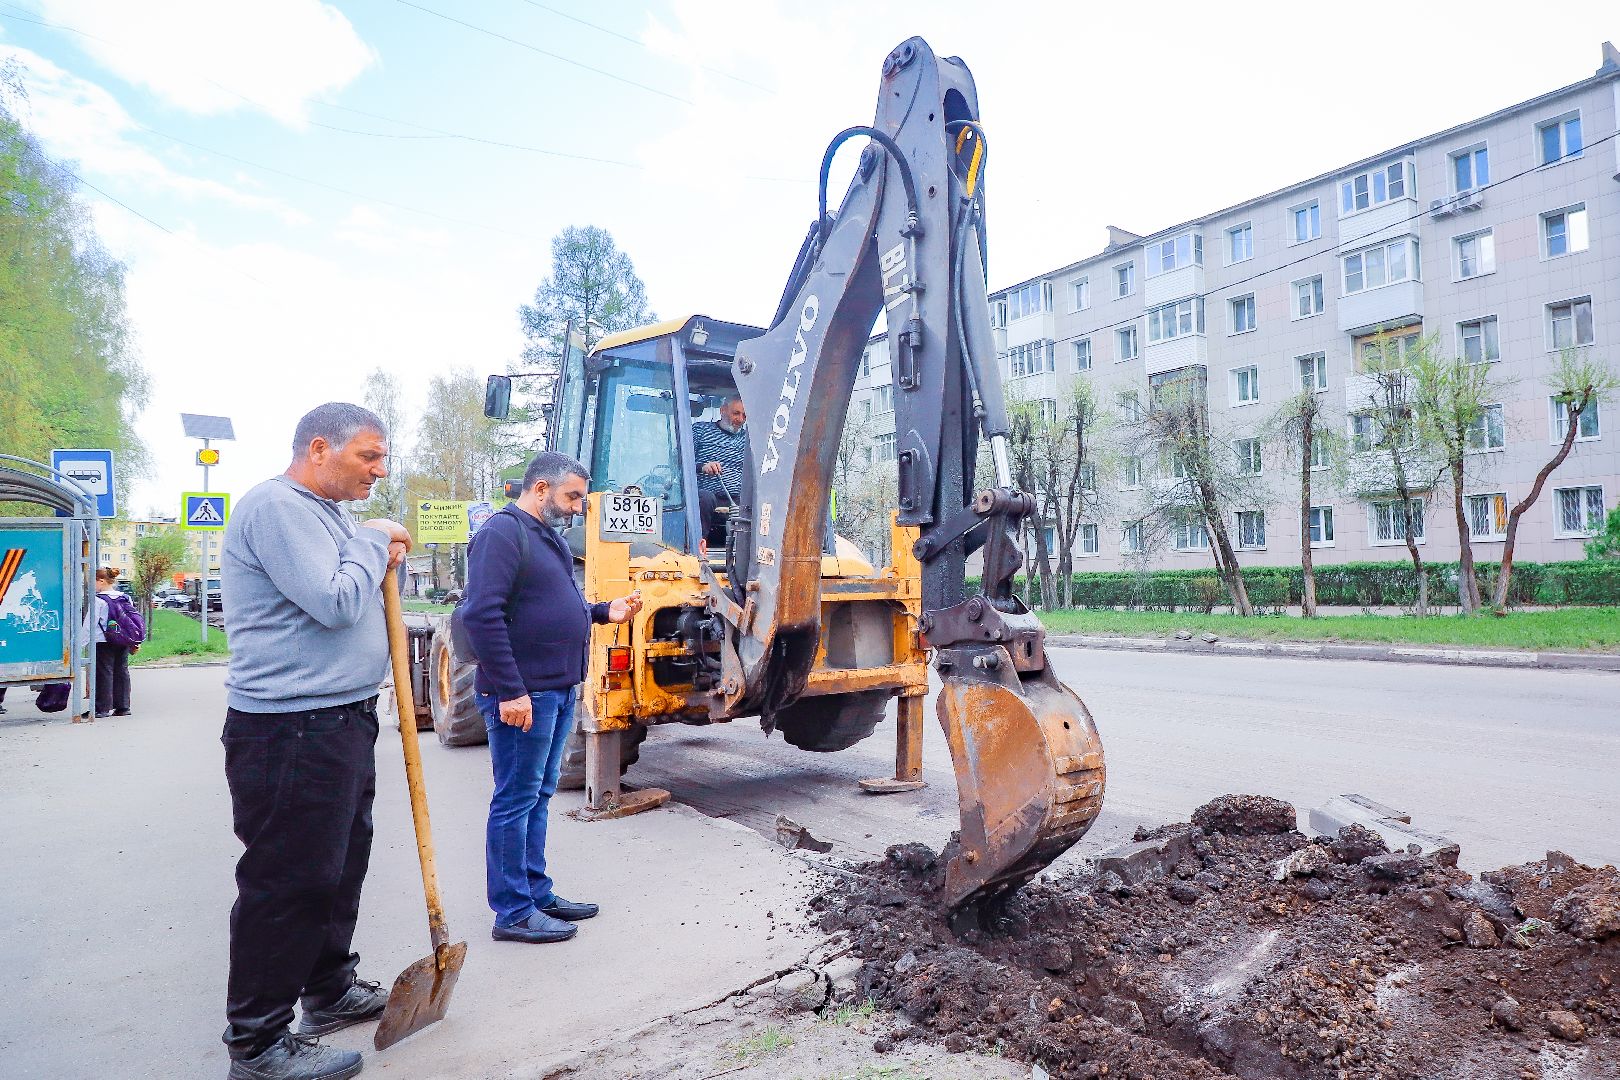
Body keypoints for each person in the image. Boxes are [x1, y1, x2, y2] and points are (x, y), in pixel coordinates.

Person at [219, 402, 411, 1080]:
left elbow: (358, 598)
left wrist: (372, 543)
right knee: (290, 881)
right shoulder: (276, 508)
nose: (380, 471)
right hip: (290, 727)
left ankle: (328, 989)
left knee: (338, 866)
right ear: (320, 448)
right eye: (369, 456)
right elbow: (332, 602)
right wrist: (374, 538)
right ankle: (259, 1044)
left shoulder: (329, 515)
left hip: (340, 719)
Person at [461, 451, 641, 944]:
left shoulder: (547, 539)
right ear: (540, 489)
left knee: (537, 796)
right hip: (526, 695)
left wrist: (605, 611)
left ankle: (536, 893)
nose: (579, 506)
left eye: (581, 497)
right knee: (515, 800)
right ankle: (513, 911)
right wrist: (511, 690)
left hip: (557, 689)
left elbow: (557, 606)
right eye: (572, 496)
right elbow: (481, 616)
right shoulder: (503, 533)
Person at [693, 395, 748, 543]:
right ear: (722, 410)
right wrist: (702, 467)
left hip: (737, 499)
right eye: (736, 413)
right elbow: (678, 462)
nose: (740, 419)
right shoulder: (700, 431)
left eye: (744, 415)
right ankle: (699, 546)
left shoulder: (749, 439)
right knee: (703, 498)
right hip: (709, 497)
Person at [93, 566, 136, 717]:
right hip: (123, 640)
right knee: (122, 670)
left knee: (104, 672)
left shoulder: (98, 600)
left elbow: (90, 624)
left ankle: (102, 708)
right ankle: (123, 707)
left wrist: (80, 643)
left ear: (102, 581)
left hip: (103, 641)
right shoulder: (125, 597)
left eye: (94, 582)